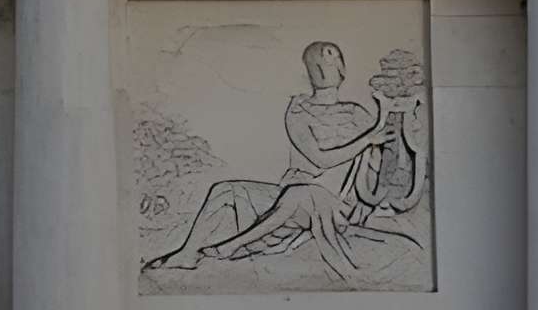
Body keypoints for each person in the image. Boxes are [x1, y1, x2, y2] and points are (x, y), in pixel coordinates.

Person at [145, 42, 409, 280]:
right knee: (226, 190)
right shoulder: (298, 111)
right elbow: (319, 159)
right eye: (318, 59)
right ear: (308, 70)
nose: (325, 62)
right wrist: (365, 142)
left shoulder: (358, 114)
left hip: (334, 205)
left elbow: (385, 162)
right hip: (291, 196)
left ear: (342, 69)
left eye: (332, 57)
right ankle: (187, 254)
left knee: (301, 194)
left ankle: (230, 246)